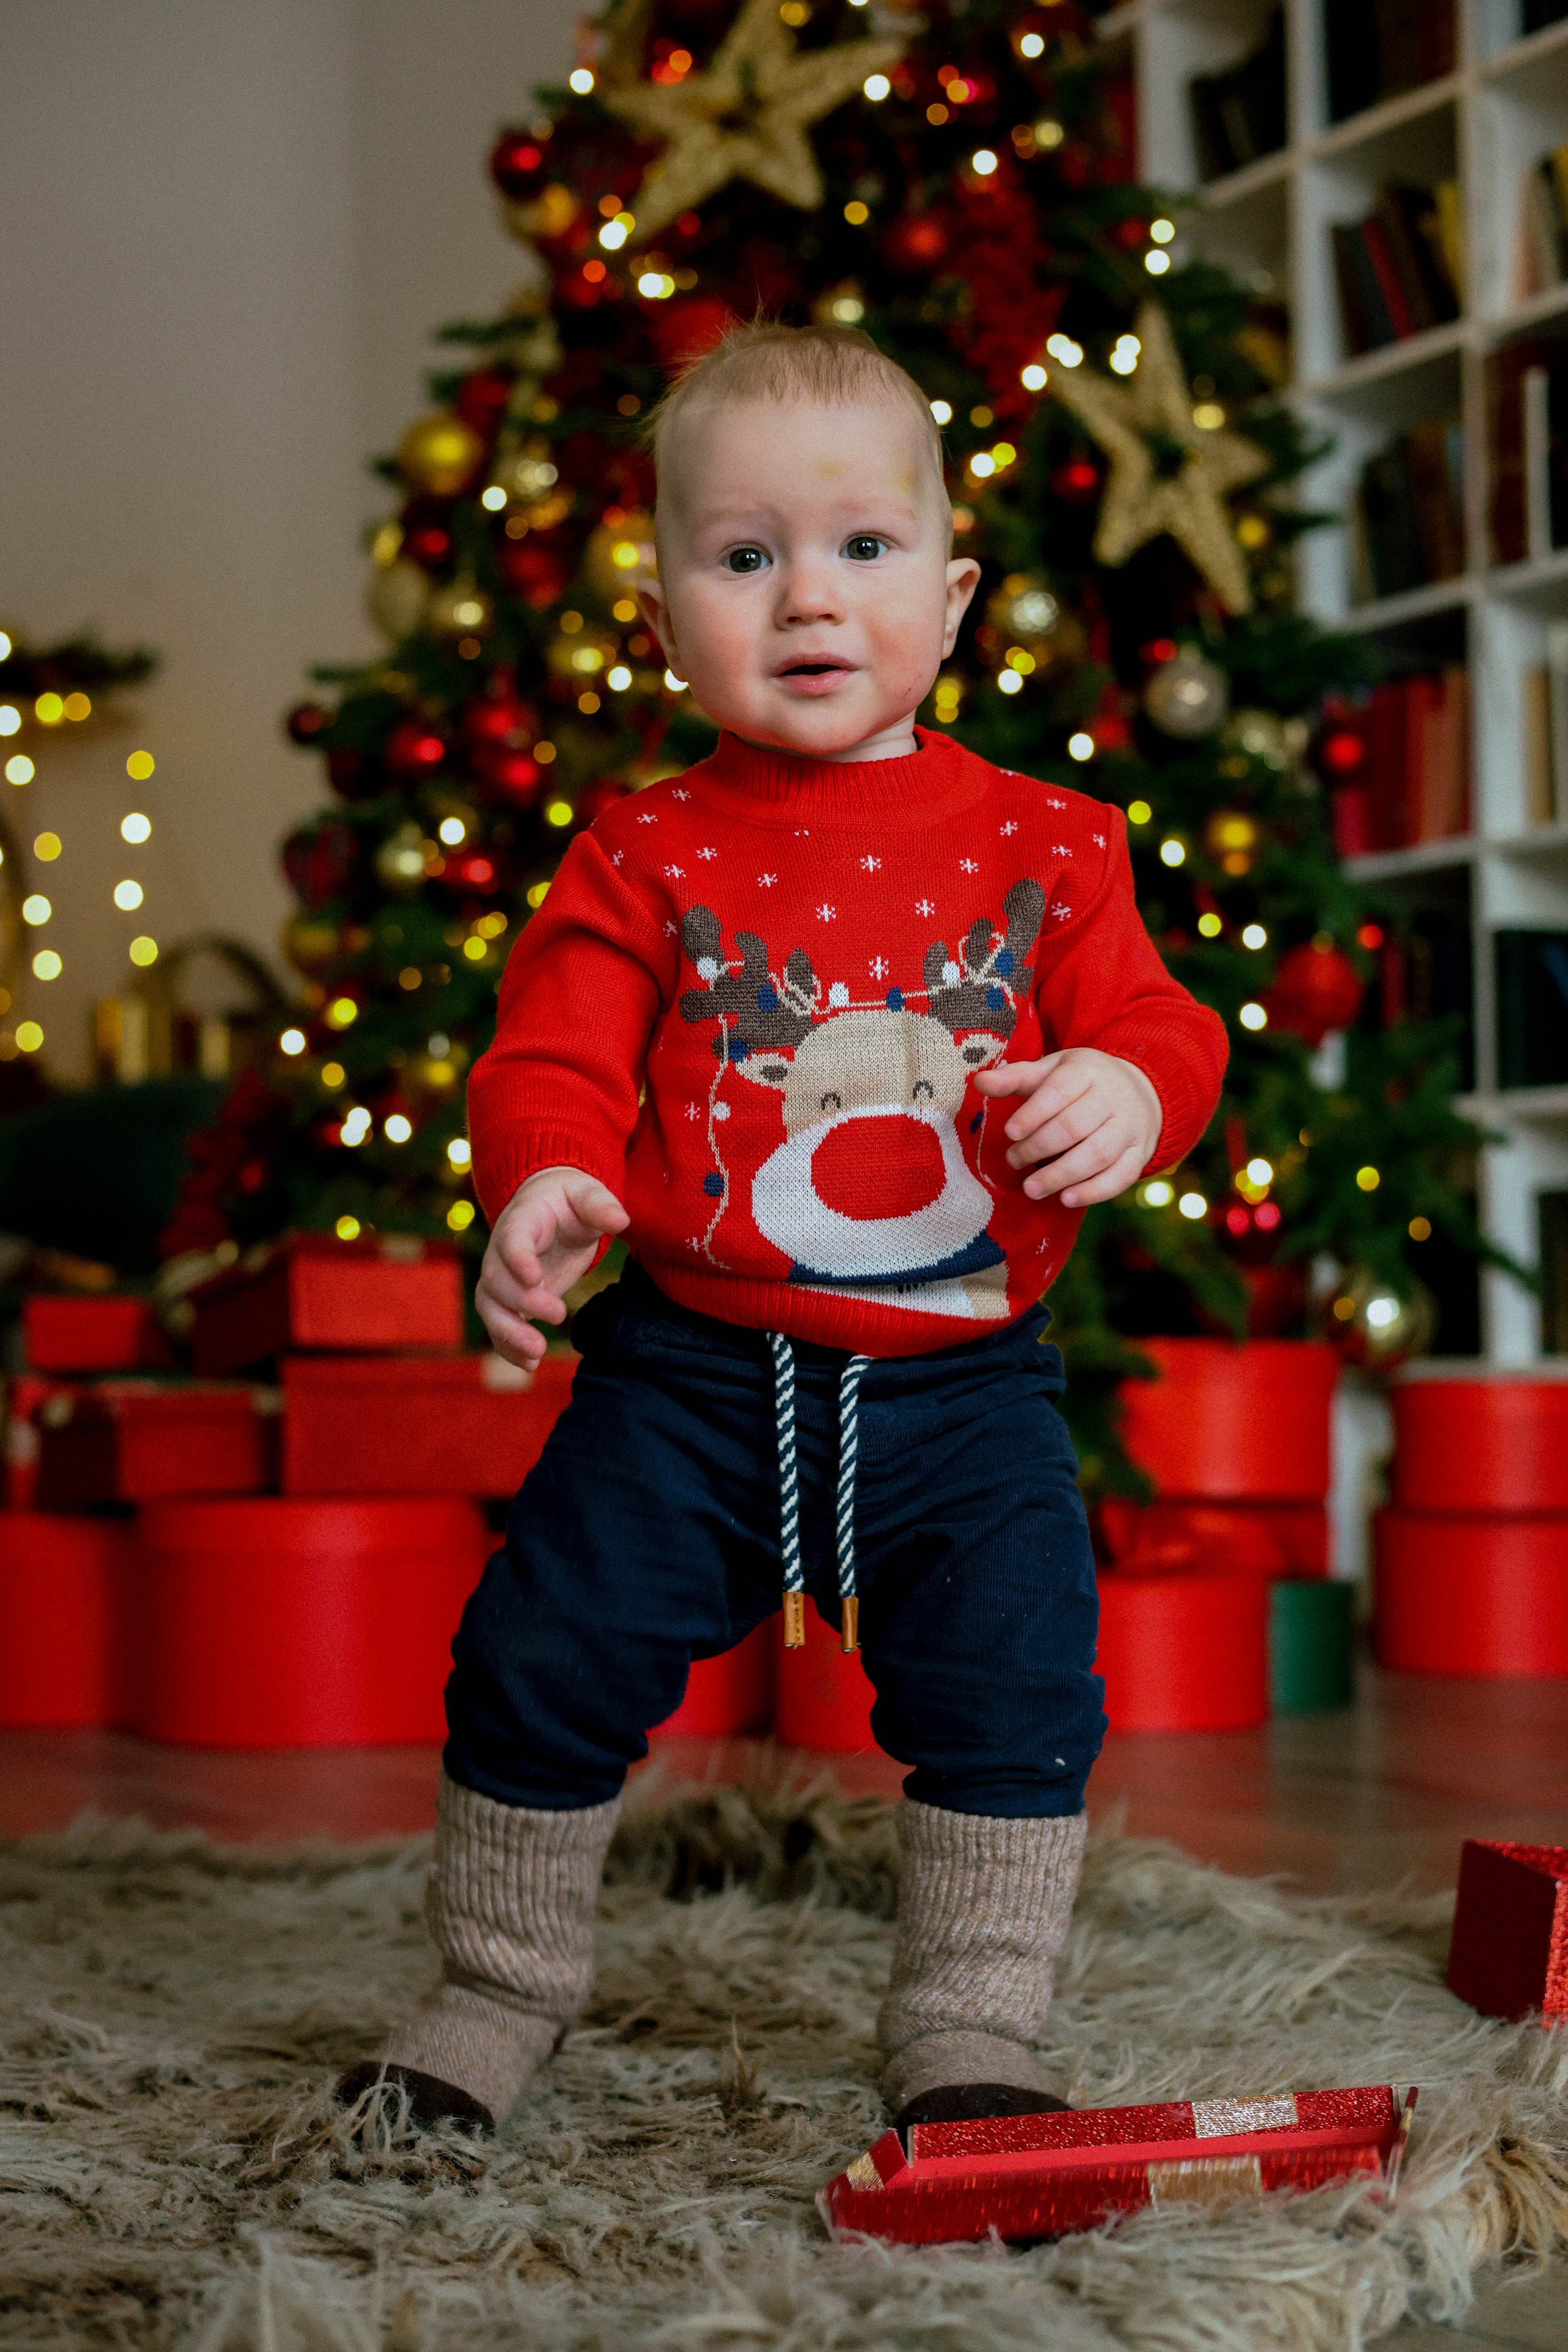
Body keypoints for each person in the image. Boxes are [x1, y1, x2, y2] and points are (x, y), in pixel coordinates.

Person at [339, 323, 1227, 2140]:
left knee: (1012, 1681)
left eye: (863, 551)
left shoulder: (1056, 843)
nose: (808, 601)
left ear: (956, 594)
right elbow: (553, 1056)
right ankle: (496, 1993)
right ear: (668, 615)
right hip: (686, 1369)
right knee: (541, 1651)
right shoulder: (642, 851)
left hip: (964, 1377)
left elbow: (1161, 1027)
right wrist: (542, 1182)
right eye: (747, 559)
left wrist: (1131, 1098)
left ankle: (973, 2029)